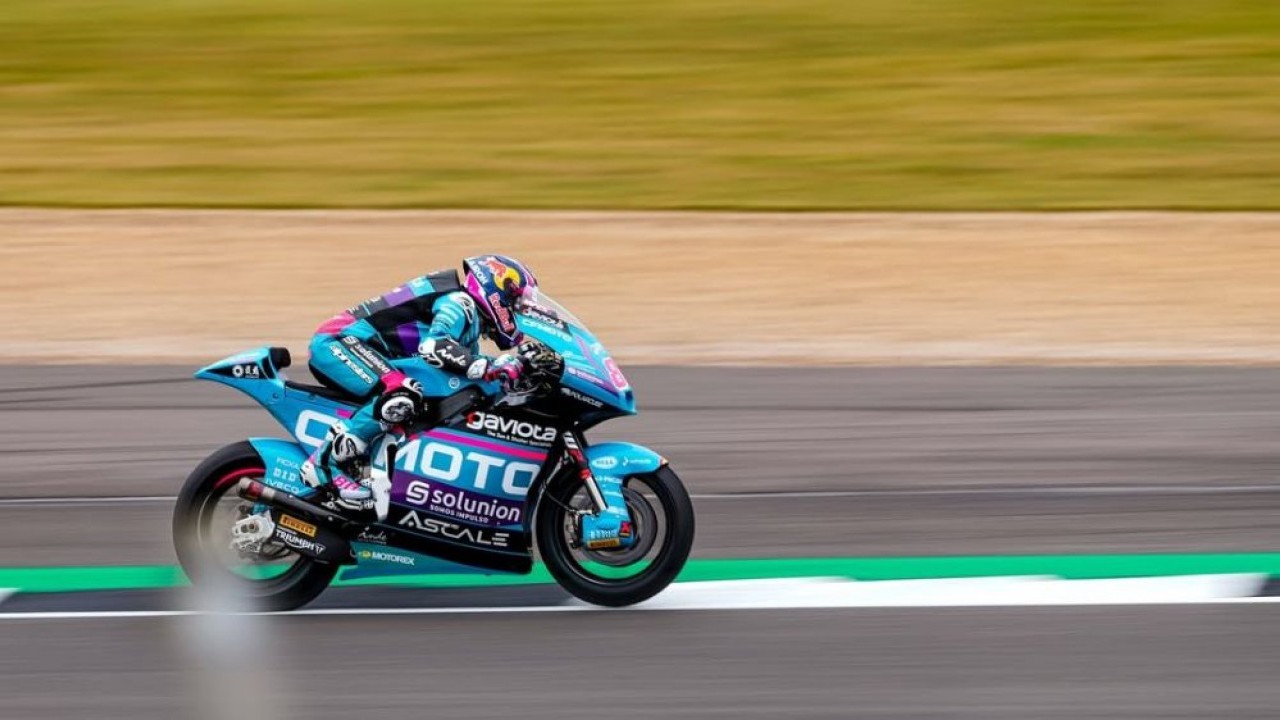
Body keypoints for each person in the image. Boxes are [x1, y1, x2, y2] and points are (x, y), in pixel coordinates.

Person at [300, 254, 543, 508]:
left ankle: (374, 474)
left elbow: (466, 368)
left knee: (424, 399)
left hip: (362, 350)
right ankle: (322, 465)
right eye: (516, 302)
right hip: (338, 342)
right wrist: (492, 366)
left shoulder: (469, 323)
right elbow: (434, 346)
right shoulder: (459, 303)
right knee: (402, 392)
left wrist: (515, 370)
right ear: (497, 292)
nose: (518, 312)